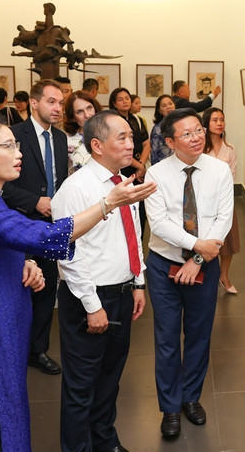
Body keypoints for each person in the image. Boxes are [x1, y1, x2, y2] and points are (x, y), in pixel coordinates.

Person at [0, 108, 152, 452]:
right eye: (8, 146)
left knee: (4, 414)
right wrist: (109, 203)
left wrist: (23, 262)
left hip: (4, 323)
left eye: (17, 145)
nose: (19, 154)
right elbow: (47, 236)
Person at [53, 110, 154, 452]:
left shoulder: (123, 181)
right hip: (88, 299)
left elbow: (133, 237)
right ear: (96, 145)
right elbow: (68, 252)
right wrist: (92, 305)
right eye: (122, 137)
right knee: (82, 386)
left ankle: (104, 441)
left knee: (110, 379)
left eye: (131, 136)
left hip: (123, 293)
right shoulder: (75, 188)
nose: (132, 143)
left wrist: (138, 282)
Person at [144, 108, 233, 438]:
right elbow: (160, 224)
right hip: (163, 264)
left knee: (199, 334)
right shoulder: (155, 174)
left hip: (204, 266)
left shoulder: (219, 170)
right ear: (170, 141)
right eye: (188, 133)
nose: (197, 137)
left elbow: (223, 217)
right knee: (166, 339)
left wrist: (197, 257)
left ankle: (190, 398)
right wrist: (198, 245)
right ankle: (169, 407)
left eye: (199, 130)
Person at [2, 79, 68, 376]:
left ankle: (37, 350)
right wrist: (34, 202)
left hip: (51, 226)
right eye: (52, 102)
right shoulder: (13, 135)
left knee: (47, 288)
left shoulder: (61, 138)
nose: (58, 108)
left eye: (61, 103)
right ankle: (10, 348)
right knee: (19, 288)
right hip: (19, 222)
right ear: (34, 102)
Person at [203, 107, 240, 294]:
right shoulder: (200, 148)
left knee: (229, 243)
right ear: (206, 124)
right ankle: (204, 277)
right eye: (215, 120)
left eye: (222, 120)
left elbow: (231, 177)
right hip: (203, 202)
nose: (219, 123)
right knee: (205, 240)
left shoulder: (230, 149)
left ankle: (224, 276)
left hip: (225, 201)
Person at [109, 88, 149, 181]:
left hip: (139, 164)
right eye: (120, 99)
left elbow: (146, 143)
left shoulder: (137, 119)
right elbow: (119, 149)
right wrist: (139, 166)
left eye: (127, 98)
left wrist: (141, 165)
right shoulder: (112, 121)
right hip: (122, 166)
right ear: (114, 104)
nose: (125, 101)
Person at [64, 91, 100, 174]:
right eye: (79, 112)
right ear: (72, 117)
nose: (87, 115)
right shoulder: (66, 141)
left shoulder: (109, 135)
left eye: (89, 108)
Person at [150, 94, 176, 164]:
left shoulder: (181, 124)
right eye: (164, 106)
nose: (168, 107)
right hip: (164, 166)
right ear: (159, 111)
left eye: (170, 104)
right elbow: (154, 154)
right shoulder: (158, 129)